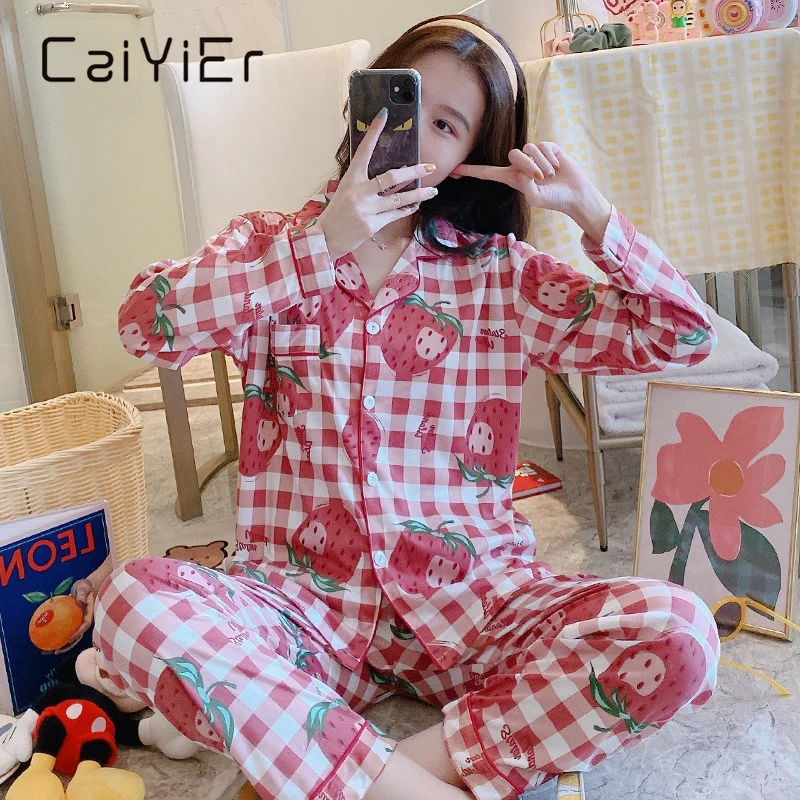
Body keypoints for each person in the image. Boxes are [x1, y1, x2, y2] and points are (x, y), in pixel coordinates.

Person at [95, 14, 721, 800]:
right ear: (364, 100)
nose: (413, 133)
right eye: (405, 100)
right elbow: (143, 324)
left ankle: (378, 774)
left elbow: (682, 336)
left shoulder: (502, 277)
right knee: (132, 602)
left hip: (473, 601)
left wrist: (591, 211)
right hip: (300, 609)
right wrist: (318, 247)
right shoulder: (268, 246)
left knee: (679, 631)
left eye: (447, 125)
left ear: (469, 158)